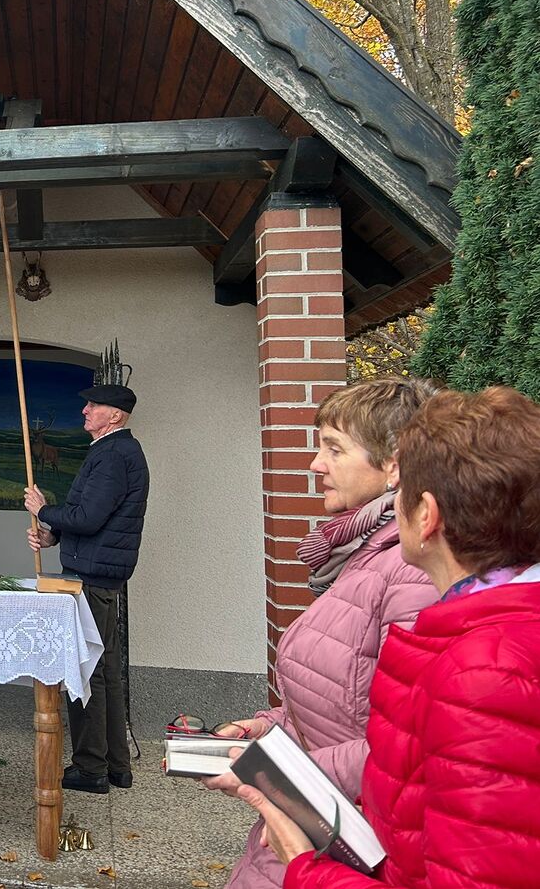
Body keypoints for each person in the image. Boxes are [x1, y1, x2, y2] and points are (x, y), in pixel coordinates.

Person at [242, 386, 540, 889]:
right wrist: (273, 734)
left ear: (426, 514)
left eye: (402, 493)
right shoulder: (475, 633)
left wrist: (305, 867)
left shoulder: (484, 669)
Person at [202, 378, 439, 889]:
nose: (315, 464)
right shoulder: (366, 551)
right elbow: (346, 705)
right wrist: (266, 729)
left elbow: (410, 740)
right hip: (316, 823)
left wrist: (269, 770)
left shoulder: (412, 570)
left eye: (334, 448)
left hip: (352, 843)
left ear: (394, 464)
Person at [24, 383, 148, 793]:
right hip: (97, 574)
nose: (85, 410)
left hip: (91, 580)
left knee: (86, 670)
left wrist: (44, 510)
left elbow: (89, 517)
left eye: (93, 405)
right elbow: (92, 517)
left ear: (115, 415)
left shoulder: (114, 454)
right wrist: (52, 536)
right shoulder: (113, 451)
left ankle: (92, 767)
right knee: (105, 670)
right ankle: (115, 765)